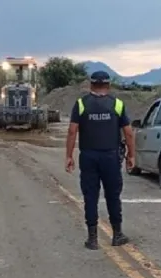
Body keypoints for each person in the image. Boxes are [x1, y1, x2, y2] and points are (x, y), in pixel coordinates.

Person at [65, 70, 135, 250]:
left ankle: (93, 239)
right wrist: (131, 155)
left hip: (88, 156)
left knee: (90, 196)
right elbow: (128, 133)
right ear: (108, 85)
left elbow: (72, 131)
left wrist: (69, 156)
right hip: (111, 157)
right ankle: (117, 234)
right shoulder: (117, 104)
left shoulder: (81, 104)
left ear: (91, 85)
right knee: (113, 196)